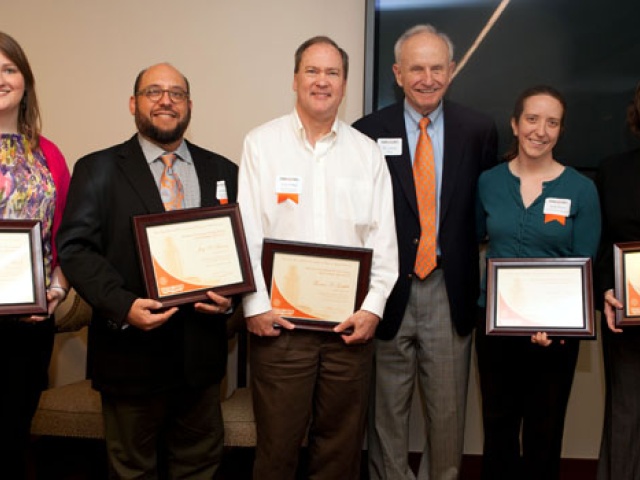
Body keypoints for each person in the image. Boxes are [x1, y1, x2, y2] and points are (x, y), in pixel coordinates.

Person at [57, 63, 237, 479]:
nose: (165, 100)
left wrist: (229, 299)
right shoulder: (97, 168)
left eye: (176, 93)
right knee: (132, 471)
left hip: (201, 358)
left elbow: (237, 251)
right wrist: (122, 306)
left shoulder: (223, 170)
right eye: (154, 91)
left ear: (189, 105)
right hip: (130, 357)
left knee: (199, 467)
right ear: (133, 103)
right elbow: (76, 249)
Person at [238, 36, 398, 480]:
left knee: (340, 451)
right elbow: (248, 233)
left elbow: (384, 241)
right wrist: (254, 306)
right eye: (312, 71)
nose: (321, 81)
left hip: (350, 329)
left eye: (332, 73)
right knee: (276, 449)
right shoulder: (261, 144)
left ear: (344, 84)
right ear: (294, 79)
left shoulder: (366, 153)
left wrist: (372, 309)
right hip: (280, 327)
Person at [352, 24, 498, 479]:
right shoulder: (366, 132)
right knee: (386, 415)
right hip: (386, 292)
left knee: (448, 416)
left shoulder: (479, 130)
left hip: (448, 289)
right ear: (398, 73)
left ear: (452, 71)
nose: (428, 78)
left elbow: (483, 206)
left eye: (438, 67)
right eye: (417, 68)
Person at [475, 85, 601, 480]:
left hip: (555, 335)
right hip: (495, 327)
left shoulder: (582, 189)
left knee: (545, 436)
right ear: (515, 124)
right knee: (498, 432)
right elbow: (472, 240)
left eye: (552, 122)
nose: (540, 131)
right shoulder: (488, 182)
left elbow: (586, 264)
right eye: (532, 119)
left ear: (561, 131)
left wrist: (559, 325)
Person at [0, 31, 70, 479]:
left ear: (25, 80)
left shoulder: (48, 154)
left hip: (28, 324)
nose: (0, 78)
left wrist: (58, 288)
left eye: (8, 69)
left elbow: (65, 237)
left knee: (12, 436)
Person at [595, 81, 640, 480]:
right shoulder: (613, 169)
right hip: (627, 314)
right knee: (625, 414)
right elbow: (603, 239)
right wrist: (607, 288)